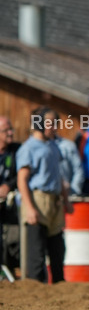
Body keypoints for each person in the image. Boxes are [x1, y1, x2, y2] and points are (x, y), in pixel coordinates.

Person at [16, 107, 72, 282]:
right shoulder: (29, 148)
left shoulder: (53, 146)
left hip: (54, 202)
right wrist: (30, 208)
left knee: (57, 250)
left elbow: (58, 176)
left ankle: (58, 286)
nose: (55, 128)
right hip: (37, 200)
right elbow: (22, 179)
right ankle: (36, 289)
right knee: (37, 253)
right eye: (50, 123)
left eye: (56, 123)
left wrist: (66, 200)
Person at [0, 116, 21, 276]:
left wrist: (9, 185)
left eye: (11, 129)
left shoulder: (17, 150)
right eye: (6, 130)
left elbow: (22, 173)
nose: (10, 133)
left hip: (10, 206)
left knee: (14, 240)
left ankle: (11, 272)